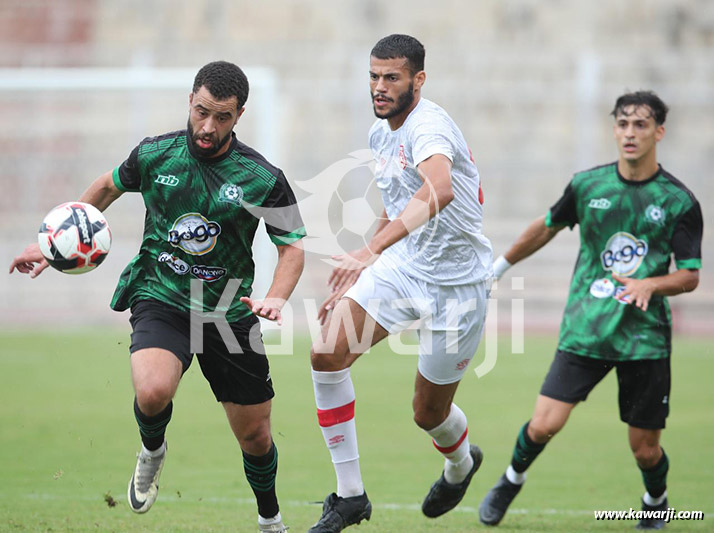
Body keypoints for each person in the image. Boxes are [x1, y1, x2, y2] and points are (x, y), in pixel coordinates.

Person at [9, 61, 306, 533]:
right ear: (191, 100)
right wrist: (53, 247)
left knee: (255, 436)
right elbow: (107, 187)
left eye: (222, 117)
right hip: (162, 293)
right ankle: (152, 449)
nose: (208, 127)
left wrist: (276, 297)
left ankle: (269, 518)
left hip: (228, 309)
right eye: (202, 112)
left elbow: (291, 247)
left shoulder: (262, 177)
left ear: (239, 115)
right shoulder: (155, 154)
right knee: (152, 391)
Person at [478, 91, 702, 530]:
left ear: (659, 132)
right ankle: (510, 479)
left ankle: (656, 501)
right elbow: (546, 228)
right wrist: (499, 267)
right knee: (543, 425)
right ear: (614, 129)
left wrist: (649, 284)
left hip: (644, 339)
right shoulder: (587, 186)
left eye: (641, 125)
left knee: (645, 449)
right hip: (586, 330)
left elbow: (690, 275)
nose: (630, 133)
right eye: (623, 124)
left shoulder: (678, 201)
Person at [308, 34, 493, 532]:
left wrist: (369, 250)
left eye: (391, 77)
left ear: (418, 80)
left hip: (458, 287)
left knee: (428, 413)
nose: (380, 87)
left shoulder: (428, 125)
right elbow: (398, 204)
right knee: (327, 351)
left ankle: (460, 465)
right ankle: (350, 497)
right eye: (373, 76)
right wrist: (365, 267)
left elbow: (440, 189)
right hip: (405, 270)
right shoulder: (379, 133)